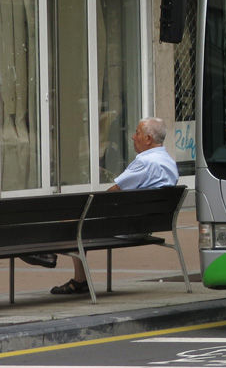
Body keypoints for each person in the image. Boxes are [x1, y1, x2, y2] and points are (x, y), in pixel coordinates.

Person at [35, 117, 179, 296]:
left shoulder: (145, 162)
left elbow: (113, 192)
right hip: (146, 225)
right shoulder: (170, 163)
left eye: (137, 133)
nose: (133, 137)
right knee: (79, 222)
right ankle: (77, 278)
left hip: (128, 227)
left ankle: (45, 252)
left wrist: (89, 208)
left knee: (73, 221)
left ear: (148, 139)